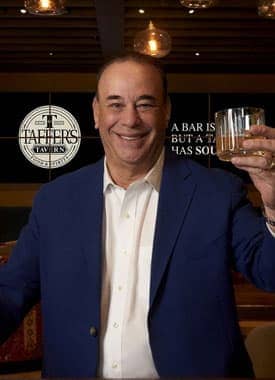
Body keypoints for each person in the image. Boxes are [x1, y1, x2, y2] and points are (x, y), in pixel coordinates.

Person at [1, 52, 275, 378]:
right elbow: (10, 293)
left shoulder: (217, 192)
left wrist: (274, 204)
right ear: (96, 113)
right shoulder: (54, 200)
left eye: (145, 104)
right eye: (115, 104)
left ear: (166, 111)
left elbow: (269, 273)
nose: (130, 119)